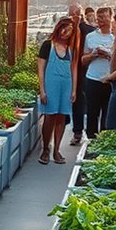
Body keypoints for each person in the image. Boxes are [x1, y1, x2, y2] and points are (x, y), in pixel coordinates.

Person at [37, 16, 80, 163]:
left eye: (68, 30)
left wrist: (74, 90)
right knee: (50, 116)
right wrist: (42, 90)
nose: (65, 32)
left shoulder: (72, 50)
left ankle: (57, 150)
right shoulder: (48, 45)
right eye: (63, 28)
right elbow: (41, 69)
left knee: (62, 117)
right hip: (51, 85)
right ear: (58, 28)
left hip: (66, 86)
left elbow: (74, 70)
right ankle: (45, 149)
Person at [81, 7, 114, 140]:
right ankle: (91, 141)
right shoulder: (90, 37)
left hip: (111, 79)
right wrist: (93, 55)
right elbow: (83, 60)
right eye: (98, 17)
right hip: (92, 78)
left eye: (104, 17)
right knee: (92, 113)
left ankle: (104, 140)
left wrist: (109, 54)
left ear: (111, 17)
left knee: (108, 114)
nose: (100, 20)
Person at [66, 3, 96, 146]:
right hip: (73, 69)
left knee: (87, 101)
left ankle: (88, 133)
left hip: (86, 69)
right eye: (72, 13)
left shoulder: (90, 31)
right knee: (78, 100)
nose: (74, 15)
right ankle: (79, 132)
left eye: (76, 13)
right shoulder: (68, 30)